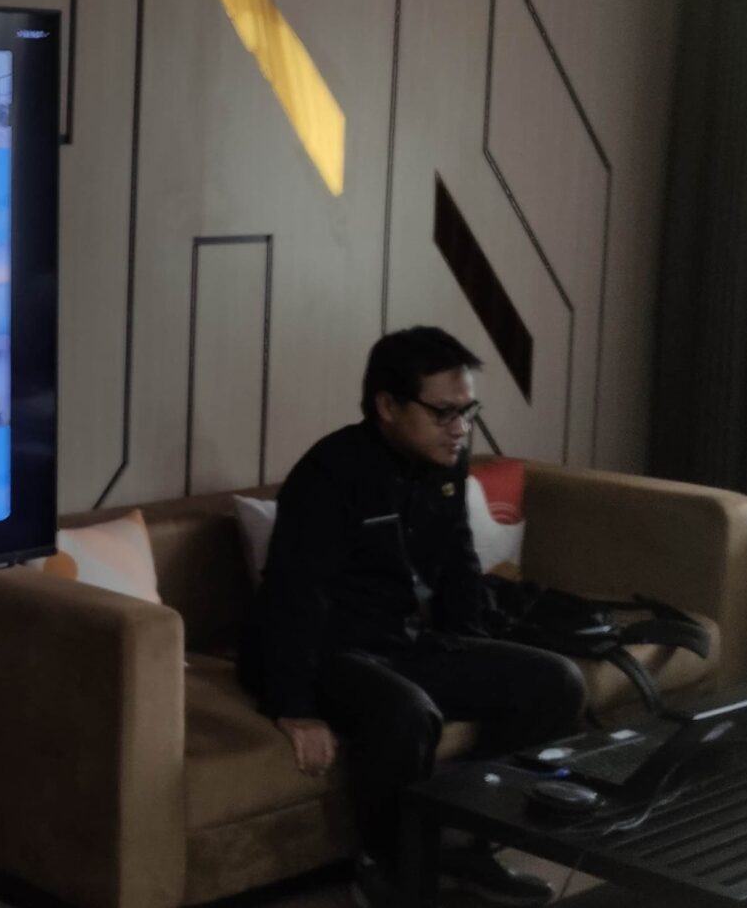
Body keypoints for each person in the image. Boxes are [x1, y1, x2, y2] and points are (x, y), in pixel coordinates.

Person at [238, 327, 581, 908]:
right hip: (329, 652)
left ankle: (467, 845)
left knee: (556, 683)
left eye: (467, 411)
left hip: (401, 641)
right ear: (388, 406)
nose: (460, 428)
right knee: (406, 712)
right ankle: (387, 867)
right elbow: (295, 595)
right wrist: (293, 706)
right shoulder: (330, 472)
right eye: (444, 412)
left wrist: (474, 653)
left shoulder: (446, 463)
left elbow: (459, 565)